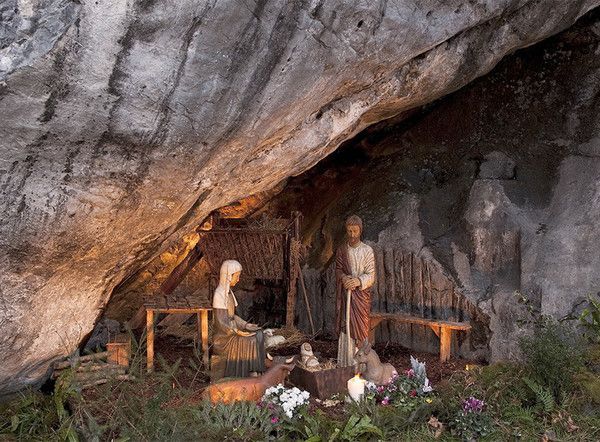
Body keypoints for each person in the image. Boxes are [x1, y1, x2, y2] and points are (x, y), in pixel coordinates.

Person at [211, 260, 265, 379]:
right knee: (251, 340)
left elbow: (232, 316)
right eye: (237, 276)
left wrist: (245, 325)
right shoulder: (219, 294)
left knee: (259, 333)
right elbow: (221, 322)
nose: (239, 279)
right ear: (228, 276)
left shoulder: (229, 293)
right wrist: (236, 331)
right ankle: (247, 374)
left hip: (231, 330)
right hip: (224, 336)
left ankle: (256, 370)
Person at [335, 215, 376, 367]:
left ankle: (361, 365)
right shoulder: (342, 250)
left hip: (361, 297)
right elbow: (338, 270)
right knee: (346, 326)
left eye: (355, 231)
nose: (352, 234)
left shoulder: (367, 251)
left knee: (361, 327)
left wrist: (358, 281)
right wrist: (344, 278)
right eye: (349, 231)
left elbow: (371, 275)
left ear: (360, 230)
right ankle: (346, 361)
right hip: (347, 296)